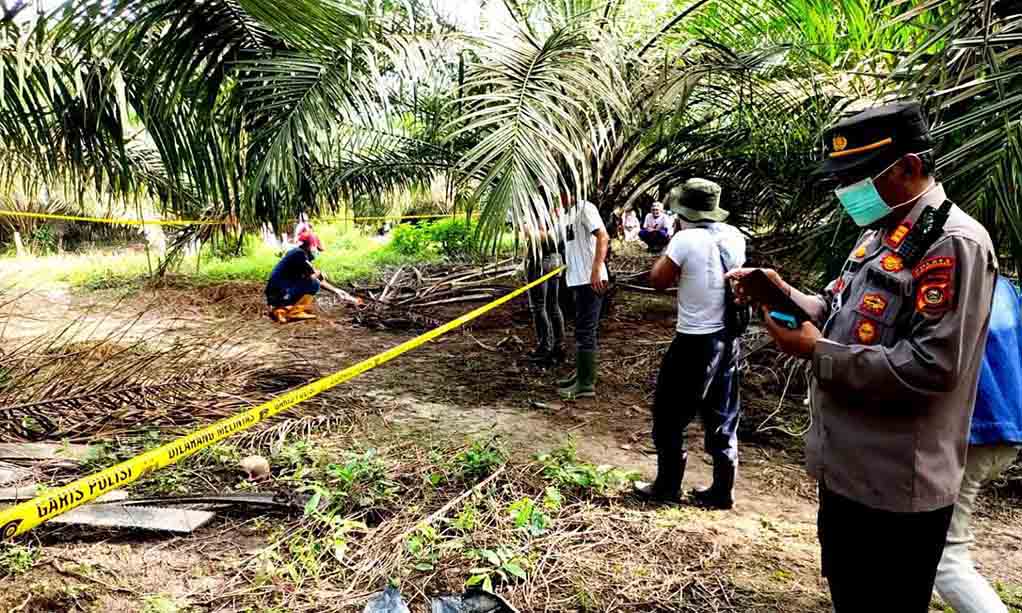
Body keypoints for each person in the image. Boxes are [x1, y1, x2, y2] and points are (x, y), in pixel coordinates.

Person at [728, 102, 998, 613]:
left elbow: (933, 366)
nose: (845, 190)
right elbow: (836, 308)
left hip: (897, 485)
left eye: (858, 177)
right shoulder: (878, 233)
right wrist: (780, 293)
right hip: (849, 470)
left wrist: (818, 353)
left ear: (910, 167)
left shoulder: (952, 245)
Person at [632, 179, 746, 508]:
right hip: (728, 338)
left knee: (669, 415)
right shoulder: (733, 235)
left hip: (695, 340)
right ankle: (723, 490)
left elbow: (658, 281)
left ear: (684, 211)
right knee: (723, 413)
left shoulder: (685, 239)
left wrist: (674, 243)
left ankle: (667, 487)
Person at [935, 275, 1021, 613]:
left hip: (969, 432)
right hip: (1005, 429)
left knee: (945, 558)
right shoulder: (1003, 287)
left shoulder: (938, 279)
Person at [556, 193, 610, 400]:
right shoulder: (566, 214)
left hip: (591, 279)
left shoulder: (585, 208)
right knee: (581, 330)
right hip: (578, 280)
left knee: (586, 331)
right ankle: (581, 374)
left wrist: (596, 269)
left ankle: (586, 384)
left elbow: (603, 236)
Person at [525, 213, 566, 367]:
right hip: (555, 259)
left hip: (541, 261)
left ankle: (545, 348)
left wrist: (529, 230)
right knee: (552, 305)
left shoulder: (535, 210)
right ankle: (558, 345)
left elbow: (545, 237)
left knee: (539, 306)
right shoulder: (556, 210)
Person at [265, 230, 324, 323]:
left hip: (275, 293)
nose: (316, 251)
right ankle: (294, 312)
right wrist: (319, 274)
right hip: (280, 293)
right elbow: (313, 277)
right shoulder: (300, 255)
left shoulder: (296, 253)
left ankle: (281, 309)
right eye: (315, 247)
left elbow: (310, 273)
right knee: (314, 284)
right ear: (309, 246)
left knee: (311, 282)